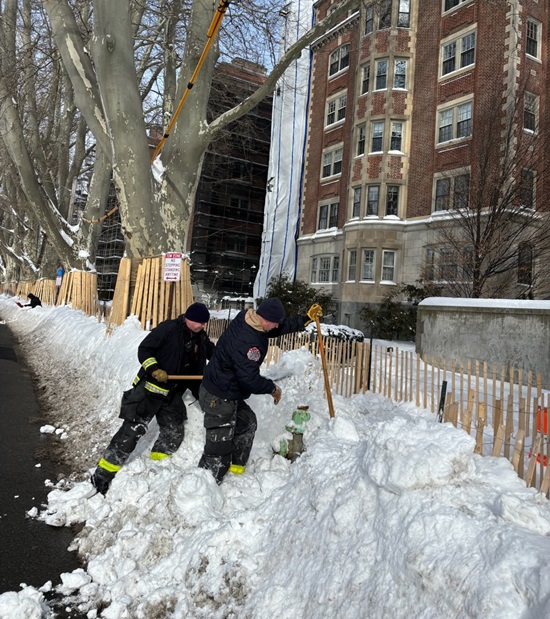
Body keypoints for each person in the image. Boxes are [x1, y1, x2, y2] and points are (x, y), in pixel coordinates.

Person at [91, 302, 215, 495]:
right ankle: (102, 475)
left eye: (204, 323)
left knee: (174, 431)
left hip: (172, 393)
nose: (203, 326)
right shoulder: (169, 329)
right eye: (200, 322)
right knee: (131, 432)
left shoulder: (200, 337)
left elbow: (211, 353)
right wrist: (154, 369)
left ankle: (157, 464)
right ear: (188, 318)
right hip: (150, 390)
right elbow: (145, 349)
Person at [197, 298, 322, 484]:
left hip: (229, 391)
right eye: (275, 322)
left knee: (247, 424)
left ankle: (236, 470)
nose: (276, 326)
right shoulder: (248, 341)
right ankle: (203, 487)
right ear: (264, 318)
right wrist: (272, 388)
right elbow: (248, 379)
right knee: (218, 450)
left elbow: (279, 327)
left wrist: (305, 320)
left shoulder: (248, 318)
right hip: (219, 396)